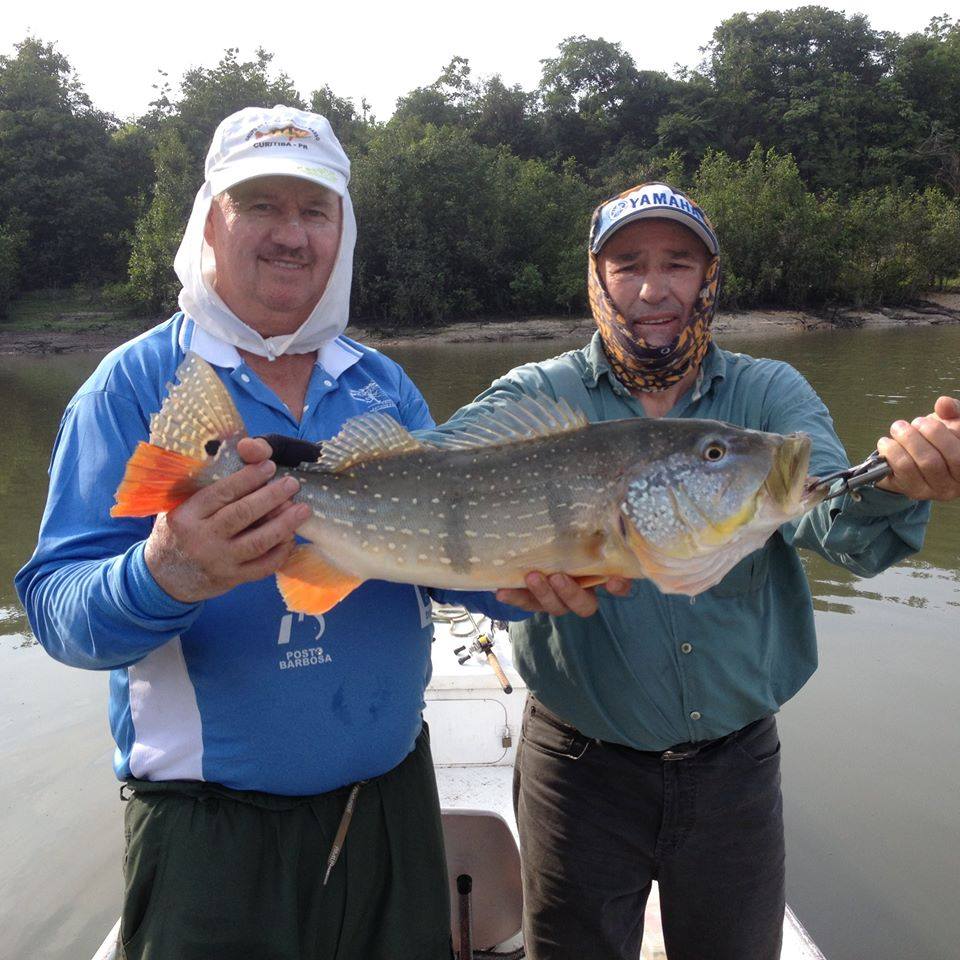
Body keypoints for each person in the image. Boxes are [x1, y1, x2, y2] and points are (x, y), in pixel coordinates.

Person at [15, 105, 513, 960]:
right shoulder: (129, 387)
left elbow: (441, 558)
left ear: (341, 231)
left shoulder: (384, 385)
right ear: (212, 221)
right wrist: (162, 572)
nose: (292, 234)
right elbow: (56, 610)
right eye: (261, 205)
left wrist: (545, 574)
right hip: (211, 841)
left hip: (391, 808)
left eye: (314, 210)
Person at [427, 182, 960, 960]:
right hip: (578, 773)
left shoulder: (768, 396)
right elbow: (427, 490)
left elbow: (836, 523)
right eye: (628, 264)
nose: (653, 288)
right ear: (596, 278)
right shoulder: (538, 395)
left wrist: (902, 482)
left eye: (678, 263)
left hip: (735, 773)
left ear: (708, 279)